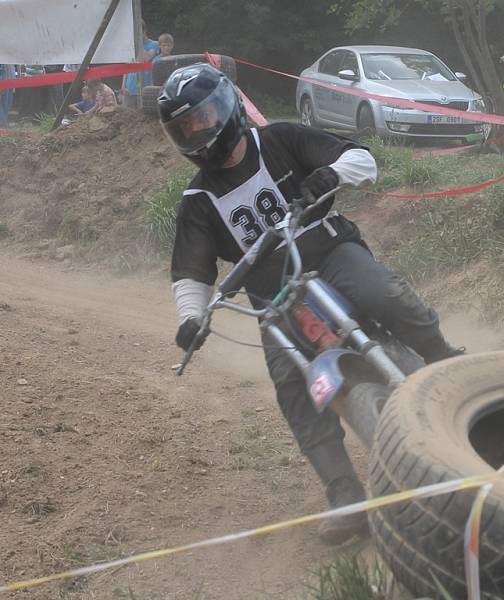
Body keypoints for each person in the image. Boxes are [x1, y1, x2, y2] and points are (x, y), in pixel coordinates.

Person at [158, 65, 464, 545]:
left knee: (382, 290)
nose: (197, 132)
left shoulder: (278, 140)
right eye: (184, 128)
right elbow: (192, 273)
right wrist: (190, 320)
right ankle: (344, 493)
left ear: (229, 106)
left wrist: (330, 174)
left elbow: (361, 158)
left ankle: (444, 356)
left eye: (202, 117)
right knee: (291, 386)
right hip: (272, 299)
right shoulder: (197, 201)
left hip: (330, 253)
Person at [121, 21, 159, 108]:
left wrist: (139, 43)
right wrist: (123, 85)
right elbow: (126, 66)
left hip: (145, 89)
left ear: (144, 30)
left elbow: (146, 58)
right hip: (129, 88)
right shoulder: (130, 46)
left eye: (138, 32)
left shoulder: (154, 44)